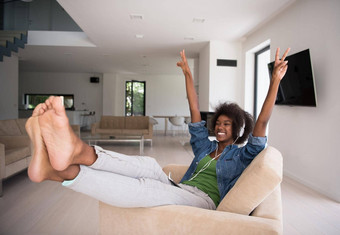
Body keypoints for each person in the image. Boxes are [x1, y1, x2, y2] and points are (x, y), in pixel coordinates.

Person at [26, 47, 290, 210]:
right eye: (218, 123)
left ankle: (62, 167)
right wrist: (188, 76)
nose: (220, 127)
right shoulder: (205, 147)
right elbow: (194, 111)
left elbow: (262, 123)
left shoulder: (242, 155)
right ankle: (70, 157)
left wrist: (275, 80)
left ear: (237, 129)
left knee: (145, 188)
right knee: (149, 166)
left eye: (226, 124)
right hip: (179, 186)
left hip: (203, 201)